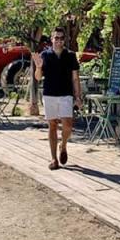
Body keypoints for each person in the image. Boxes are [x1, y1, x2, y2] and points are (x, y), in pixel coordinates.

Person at [31, 26, 82, 170]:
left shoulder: (70, 56)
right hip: (49, 94)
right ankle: (54, 159)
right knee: (52, 125)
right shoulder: (45, 55)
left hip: (66, 95)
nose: (59, 41)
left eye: (61, 38)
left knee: (67, 125)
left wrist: (78, 97)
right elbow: (38, 77)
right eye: (56, 38)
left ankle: (63, 145)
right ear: (51, 39)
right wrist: (39, 67)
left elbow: (75, 78)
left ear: (64, 40)